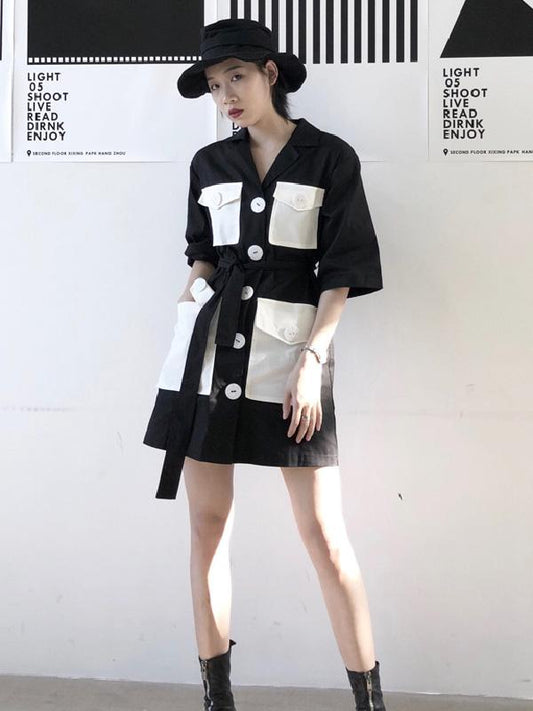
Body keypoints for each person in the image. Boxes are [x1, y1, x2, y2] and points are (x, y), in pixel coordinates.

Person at [143, 17, 386, 711]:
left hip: (289, 361)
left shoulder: (328, 158)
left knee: (325, 537)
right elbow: (201, 253)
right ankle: (217, 698)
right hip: (206, 356)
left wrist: (312, 361)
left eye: (237, 78)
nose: (226, 96)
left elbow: (340, 272)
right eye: (215, 85)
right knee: (207, 527)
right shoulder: (209, 164)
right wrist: (189, 296)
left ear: (270, 74)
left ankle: (369, 699)